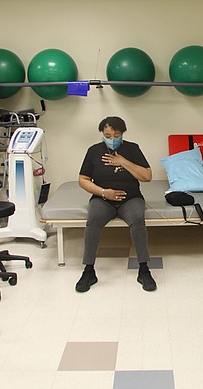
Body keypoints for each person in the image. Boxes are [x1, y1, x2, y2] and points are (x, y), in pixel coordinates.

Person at [75, 116, 156, 292]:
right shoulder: (94, 151)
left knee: (137, 219)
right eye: (108, 135)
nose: (112, 139)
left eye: (116, 135)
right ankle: (89, 271)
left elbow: (147, 176)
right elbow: (83, 179)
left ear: (122, 133)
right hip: (103, 199)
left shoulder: (132, 149)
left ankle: (144, 269)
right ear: (102, 134)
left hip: (130, 198)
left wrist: (123, 162)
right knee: (93, 219)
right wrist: (104, 192)